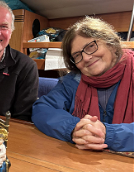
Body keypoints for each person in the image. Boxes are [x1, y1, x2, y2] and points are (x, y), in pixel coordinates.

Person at [32, 16, 134, 152]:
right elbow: (42, 108)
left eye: (91, 46)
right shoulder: (72, 80)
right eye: (77, 55)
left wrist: (108, 134)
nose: (86, 58)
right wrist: (74, 128)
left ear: (110, 43)